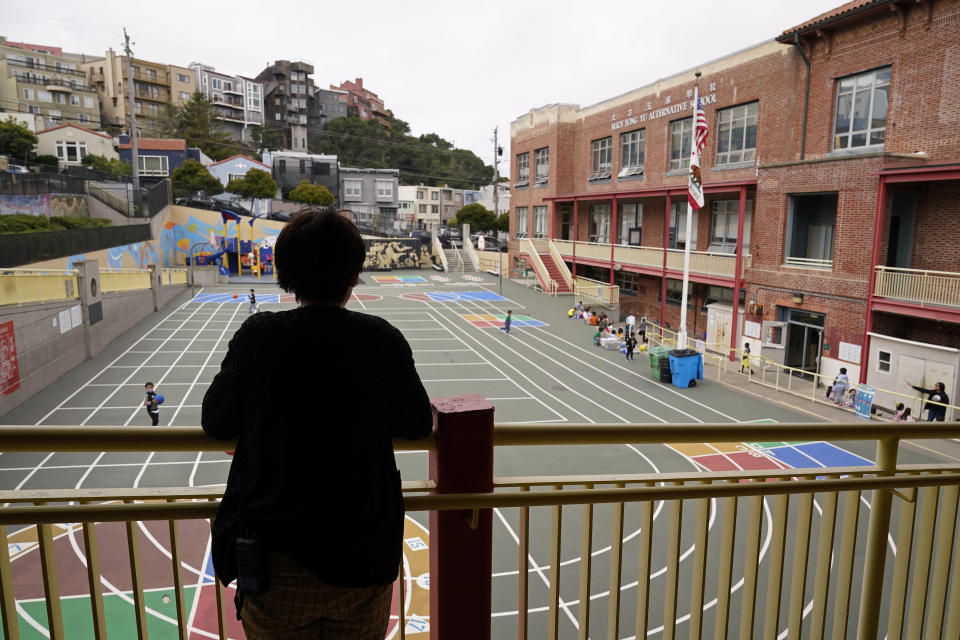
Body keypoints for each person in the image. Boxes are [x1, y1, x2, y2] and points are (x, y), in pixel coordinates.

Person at [201, 208, 433, 639]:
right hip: (362, 559)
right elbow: (417, 422)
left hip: (274, 562)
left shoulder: (259, 336)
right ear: (353, 275)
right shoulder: (380, 338)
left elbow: (215, 420)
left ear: (286, 274)